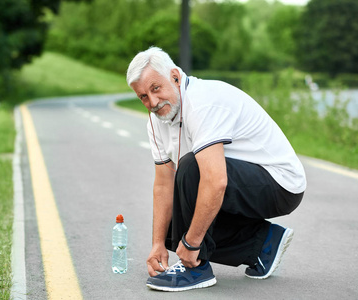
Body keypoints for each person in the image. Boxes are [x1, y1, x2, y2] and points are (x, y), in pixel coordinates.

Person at [126, 47, 306, 292]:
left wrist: (190, 245)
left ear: (175, 77)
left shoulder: (201, 102)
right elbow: (163, 184)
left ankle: (196, 268)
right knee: (171, 226)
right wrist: (158, 243)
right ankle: (263, 244)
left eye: (155, 88)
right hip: (242, 182)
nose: (153, 102)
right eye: (143, 96)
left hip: (279, 183)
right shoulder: (158, 120)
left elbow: (216, 180)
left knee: (191, 169)